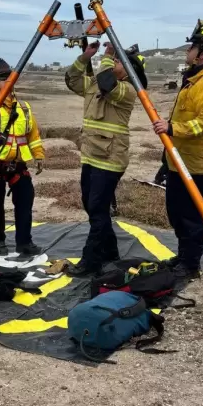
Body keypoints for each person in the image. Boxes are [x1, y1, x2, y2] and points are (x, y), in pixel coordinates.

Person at [151, 20, 203, 281]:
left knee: (192, 217)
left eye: (192, 47)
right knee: (176, 213)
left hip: (197, 163)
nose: (188, 52)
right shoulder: (195, 80)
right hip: (179, 160)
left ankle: (190, 263)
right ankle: (184, 256)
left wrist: (173, 128)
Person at [63, 41, 146, 276]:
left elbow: (107, 83)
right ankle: (111, 253)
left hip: (110, 159)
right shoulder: (99, 83)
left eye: (119, 62)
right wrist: (85, 58)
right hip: (91, 156)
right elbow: (73, 81)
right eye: (115, 60)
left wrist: (108, 56)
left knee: (98, 210)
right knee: (92, 207)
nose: (114, 63)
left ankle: (91, 262)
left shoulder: (127, 90)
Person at [0, 58, 45, 257]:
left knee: (25, 202)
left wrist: (38, 155)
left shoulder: (24, 108)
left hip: (18, 165)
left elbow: (33, 135)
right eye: (3, 79)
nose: (8, 82)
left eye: (11, 78)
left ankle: (24, 243)